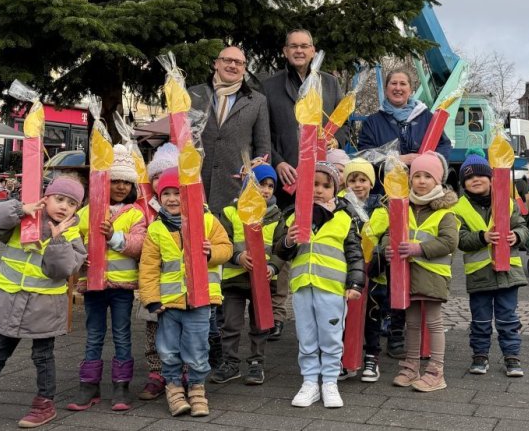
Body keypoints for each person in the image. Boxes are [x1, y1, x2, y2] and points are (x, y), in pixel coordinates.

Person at [0, 176, 87, 428]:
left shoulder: (72, 233)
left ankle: (44, 403)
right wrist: (20, 208)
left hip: (44, 306)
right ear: (46, 197)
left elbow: (61, 270)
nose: (64, 206)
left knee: (43, 356)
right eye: (59, 198)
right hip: (9, 301)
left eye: (72, 203)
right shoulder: (24, 218)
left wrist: (57, 241)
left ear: (77, 209)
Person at [263, 28, 347, 340]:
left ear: (313, 50)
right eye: (293, 46)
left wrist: (336, 137)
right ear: (285, 51)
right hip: (288, 178)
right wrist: (278, 162)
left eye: (305, 46)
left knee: (323, 238)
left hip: (322, 180)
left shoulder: (330, 83)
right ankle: (278, 312)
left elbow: (342, 124)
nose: (299, 51)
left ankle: (324, 309)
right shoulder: (270, 86)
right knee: (286, 240)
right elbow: (265, 132)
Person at [138, 167, 232, 417]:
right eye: (165, 193)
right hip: (169, 304)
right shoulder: (156, 230)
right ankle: (174, 387)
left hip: (201, 301)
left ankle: (197, 388)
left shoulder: (208, 221)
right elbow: (148, 267)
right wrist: (151, 299)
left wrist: (212, 252)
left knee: (197, 347)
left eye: (177, 192)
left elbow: (227, 248)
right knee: (168, 349)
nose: (171, 198)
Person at [273, 161, 364, 408]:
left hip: (333, 288)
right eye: (313, 184)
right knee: (306, 336)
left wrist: (355, 283)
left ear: (335, 189)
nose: (319, 190)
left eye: (326, 185)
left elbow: (355, 253)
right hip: (303, 286)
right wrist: (289, 241)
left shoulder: (346, 218)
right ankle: (310, 382)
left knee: (332, 337)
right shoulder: (292, 215)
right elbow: (279, 249)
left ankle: (330, 382)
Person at [67, 145, 147, 412]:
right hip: (93, 285)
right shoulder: (88, 212)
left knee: (123, 334)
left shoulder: (135, 213)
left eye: (126, 181)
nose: (122, 186)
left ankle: (121, 384)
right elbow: (70, 237)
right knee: (94, 334)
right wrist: (79, 257)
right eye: (116, 181)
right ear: (105, 182)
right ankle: (88, 385)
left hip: (122, 287)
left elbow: (140, 244)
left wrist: (114, 236)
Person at [382, 152, 458, 392]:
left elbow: (449, 242)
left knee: (434, 322)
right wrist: (387, 248)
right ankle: (411, 366)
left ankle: (436, 371)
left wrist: (419, 249)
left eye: (428, 176)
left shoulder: (445, 212)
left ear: (438, 181)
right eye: (417, 176)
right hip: (409, 276)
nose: (422, 181)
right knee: (412, 322)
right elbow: (389, 232)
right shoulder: (403, 206)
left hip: (433, 276)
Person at [451, 149, 528, 377]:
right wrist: (482, 237)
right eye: (469, 177)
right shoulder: (458, 208)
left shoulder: (508, 201)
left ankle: (512, 357)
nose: (475, 180)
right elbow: (459, 239)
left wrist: (518, 236)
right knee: (481, 320)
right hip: (479, 275)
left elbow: (523, 227)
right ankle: (480, 356)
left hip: (509, 274)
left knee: (508, 319)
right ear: (464, 183)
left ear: (491, 178)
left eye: (481, 176)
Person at [212, 163, 283, 385]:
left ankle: (256, 363)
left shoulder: (275, 215)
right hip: (235, 279)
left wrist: (273, 268)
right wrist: (238, 256)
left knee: (260, 324)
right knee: (231, 324)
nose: (266, 190)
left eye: (271, 186)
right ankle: (231, 363)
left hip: (263, 281)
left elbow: (281, 248)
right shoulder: (231, 212)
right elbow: (224, 240)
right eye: (262, 184)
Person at [189, 46, 271, 213]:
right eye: (227, 60)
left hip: (236, 187)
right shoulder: (194, 94)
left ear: (244, 69)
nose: (233, 65)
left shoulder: (257, 101)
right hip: (196, 181)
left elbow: (263, 147)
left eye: (239, 62)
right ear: (216, 64)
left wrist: (258, 177)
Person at [134, 142, 180, 401]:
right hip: (153, 279)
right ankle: (156, 373)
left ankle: (181, 371)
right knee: (153, 328)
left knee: (181, 330)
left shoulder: (189, 207)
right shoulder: (144, 207)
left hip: (181, 282)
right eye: (158, 177)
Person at [340, 157, 387, 382]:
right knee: (343, 317)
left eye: (362, 180)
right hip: (345, 271)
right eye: (352, 180)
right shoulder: (339, 206)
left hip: (374, 272)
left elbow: (388, 236)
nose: (358, 185)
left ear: (371, 182)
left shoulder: (381, 208)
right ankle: (345, 358)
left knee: (372, 316)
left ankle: (371, 356)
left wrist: (380, 254)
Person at [357, 70, 452, 167]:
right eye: (393, 83)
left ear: (410, 90)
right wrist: (397, 159)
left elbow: (444, 145)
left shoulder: (427, 118)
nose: (398, 88)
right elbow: (365, 153)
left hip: (421, 180)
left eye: (403, 84)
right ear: (386, 89)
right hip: (384, 181)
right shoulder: (372, 122)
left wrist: (429, 162)